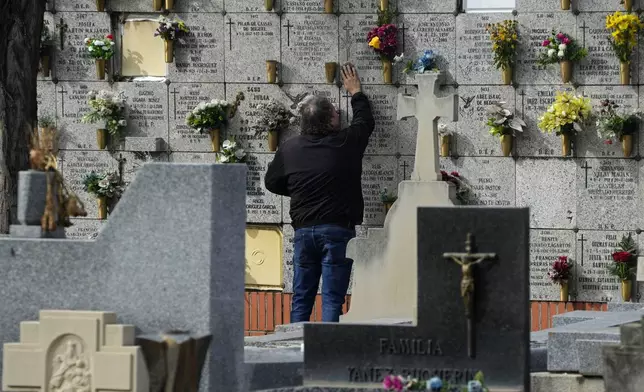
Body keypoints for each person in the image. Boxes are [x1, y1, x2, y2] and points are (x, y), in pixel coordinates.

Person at [264, 63, 375, 323]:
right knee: (333, 298)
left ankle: (295, 354)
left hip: (304, 232)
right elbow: (365, 122)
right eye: (335, 112)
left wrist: (301, 189)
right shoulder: (345, 142)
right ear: (329, 121)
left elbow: (271, 182)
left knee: (302, 296)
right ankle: (327, 354)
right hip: (337, 231)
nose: (339, 113)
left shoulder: (290, 148)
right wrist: (356, 92)